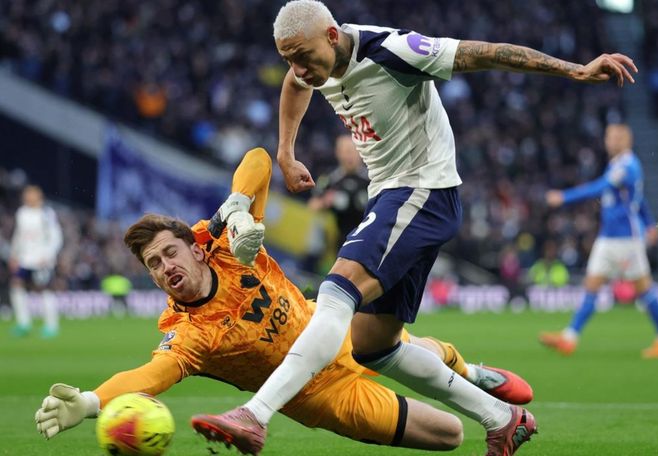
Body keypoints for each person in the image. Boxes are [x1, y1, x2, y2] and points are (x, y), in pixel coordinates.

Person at [199, 1, 638, 454]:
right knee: (373, 345)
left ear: (331, 36)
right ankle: (503, 419)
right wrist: (286, 152)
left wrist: (574, 70)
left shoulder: (396, 51)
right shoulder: (314, 64)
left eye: (303, 56)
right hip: (393, 196)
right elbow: (295, 84)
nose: (298, 68)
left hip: (422, 192)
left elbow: (487, 52)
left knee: (335, 293)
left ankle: (255, 415)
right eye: (288, 58)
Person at [34, 148, 533, 452]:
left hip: (329, 330)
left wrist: (235, 210)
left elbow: (258, 160)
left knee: (388, 345)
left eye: (170, 253)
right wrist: (92, 402)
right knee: (449, 435)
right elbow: (150, 377)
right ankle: (473, 390)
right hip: (323, 398)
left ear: (196, 248)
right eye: (154, 264)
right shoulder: (188, 334)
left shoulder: (227, 243)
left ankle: (468, 371)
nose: (166, 267)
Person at [539, 124, 658, 357]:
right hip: (608, 237)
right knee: (591, 285)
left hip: (626, 239)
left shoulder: (627, 165)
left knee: (643, 288)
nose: (610, 141)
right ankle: (569, 338)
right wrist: (649, 223)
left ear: (627, 140)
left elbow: (600, 187)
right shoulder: (616, 164)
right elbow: (638, 199)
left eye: (616, 137)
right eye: (609, 137)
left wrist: (564, 197)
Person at [9, 185, 63, 338]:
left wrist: (48, 255)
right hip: (24, 258)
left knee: (44, 289)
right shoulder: (21, 213)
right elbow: (18, 235)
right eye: (26, 195)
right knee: (16, 285)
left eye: (30, 195)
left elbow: (56, 236)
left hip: (41, 259)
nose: (27, 197)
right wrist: (14, 254)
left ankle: (51, 326)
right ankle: (24, 323)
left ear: (39, 196)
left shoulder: (47, 213)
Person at [308, 134, 369, 253]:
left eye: (352, 151)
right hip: (340, 237)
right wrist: (325, 201)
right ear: (338, 153)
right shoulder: (329, 178)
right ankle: (313, 256)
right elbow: (312, 205)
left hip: (367, 239)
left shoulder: (372, 179)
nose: (349, 156)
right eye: (345, 151)